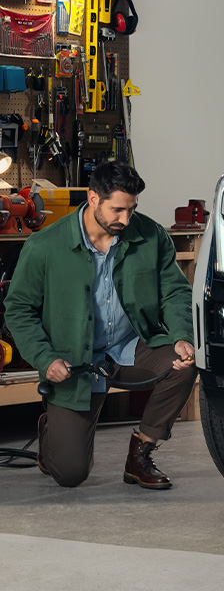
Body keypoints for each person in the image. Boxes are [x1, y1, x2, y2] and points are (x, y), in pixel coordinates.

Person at [5, 161, 196, 489]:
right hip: (75, 362)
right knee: (70, 474)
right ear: (93, 198)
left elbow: (176, 291)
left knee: (184, 365)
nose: (125, 219)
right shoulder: (44, 246)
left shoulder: (151, 237)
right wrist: (44, 358)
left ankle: (140, 454)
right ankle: (52, 430)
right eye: (118, 209)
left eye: (132, 209)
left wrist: (181, 336)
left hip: (130, 347)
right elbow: (18, 309)